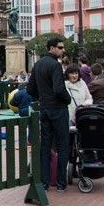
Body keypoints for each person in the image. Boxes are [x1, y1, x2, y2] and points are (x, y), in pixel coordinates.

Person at [26, 36, 71, 192]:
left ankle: (44, 182)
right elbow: (59, 89)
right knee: (62, 145)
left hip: (44, 109)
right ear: (51, 48)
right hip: (58, 109)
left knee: (45, 146)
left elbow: (30, 89)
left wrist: (42, 98)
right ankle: (60, 182)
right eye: (60, 47)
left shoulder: (37, 64)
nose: (63, 50)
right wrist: (68, 99)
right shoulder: (55, 65)